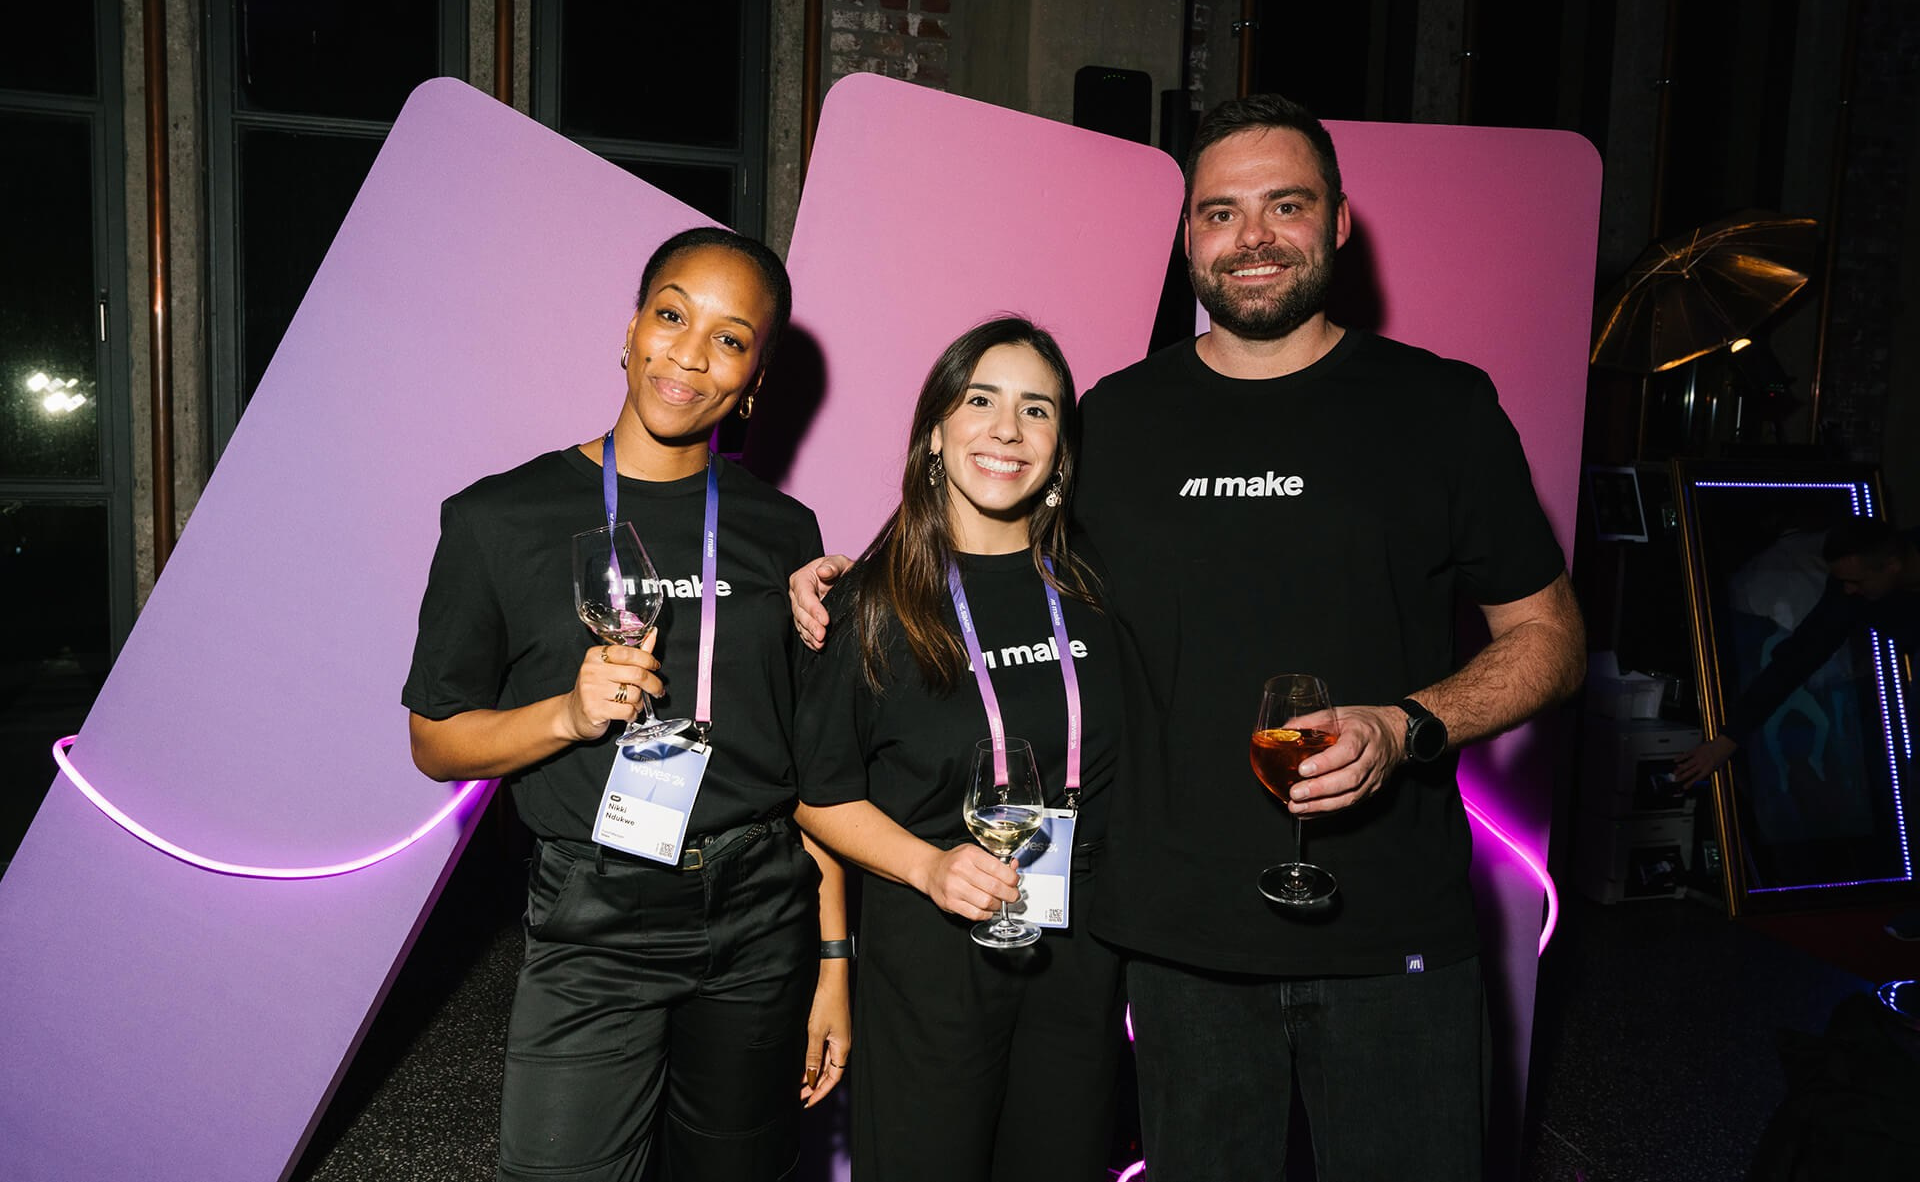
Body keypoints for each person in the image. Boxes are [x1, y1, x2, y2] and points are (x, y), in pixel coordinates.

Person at [791, 94, 1586, 1178]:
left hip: (1392, 938)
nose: (1252, 236)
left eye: (1285, 205)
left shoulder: (1440, 407)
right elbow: (988, 531)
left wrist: (1408, 725)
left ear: (1339, 221)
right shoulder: (1115, 420)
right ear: (1188, 238)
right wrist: (840, 578)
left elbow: (1551, 636)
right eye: (1220, 212)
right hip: (1176, 955)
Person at [404, 227, 850, 1182]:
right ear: (631, 329)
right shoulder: (497, 518)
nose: (690, 354)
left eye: (731, 339)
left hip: (761, 906)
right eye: (672, 315)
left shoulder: (784, 531)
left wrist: (834, 960)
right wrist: (566, 715)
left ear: (756, 379)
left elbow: (811, 769)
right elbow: (435, 741)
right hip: (595, 908)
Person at [792, 319, 1133, 1181]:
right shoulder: (872, 601)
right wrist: (930, 867)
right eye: (980, 400)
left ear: (1061, 450)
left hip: (1080, 950)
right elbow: (818, 793)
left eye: (1037, 409)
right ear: (937, 433)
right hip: (934, 951)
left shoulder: (1099, 585)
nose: (1007, 429)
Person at [1674, 519, 1920, 939]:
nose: (1848, 590)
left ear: (1893, 566)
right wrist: (1727, 739)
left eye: (1857, 581)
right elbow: (1798, 657)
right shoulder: (1850, 593)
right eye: (1842, 581)